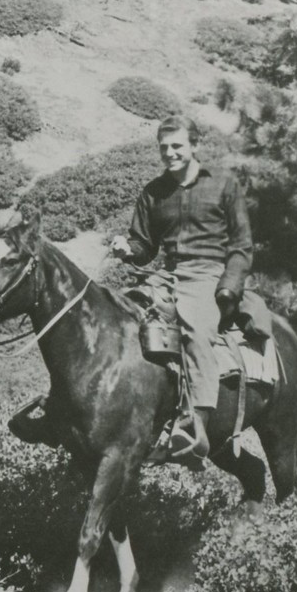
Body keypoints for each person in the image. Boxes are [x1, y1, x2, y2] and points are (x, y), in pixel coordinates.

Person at [108, 115, 252, 461]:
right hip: (167, 274)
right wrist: (128, 250)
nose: (169, 153)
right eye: (164, 148)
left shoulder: (224, 184)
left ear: (195, 145)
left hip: (208, 274)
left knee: (194, 329)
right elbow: (144, 245)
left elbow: (242, 245)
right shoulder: (153, 192)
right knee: (117, 314)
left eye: (177, 146)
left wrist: (228, 287)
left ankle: (195, 427)